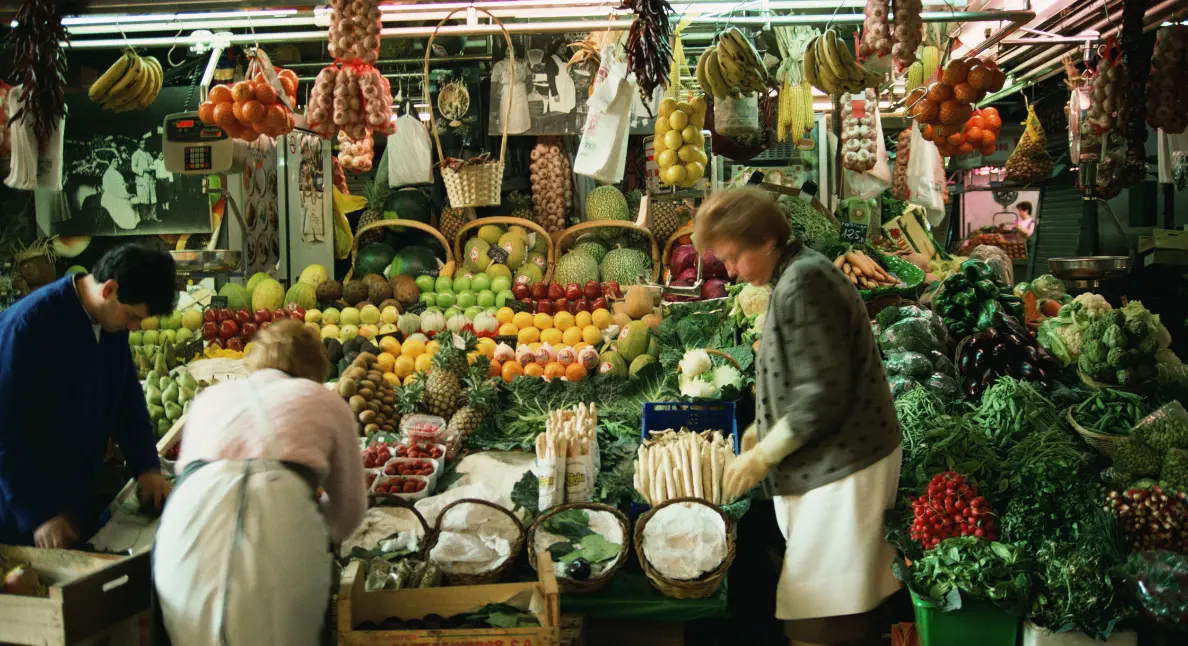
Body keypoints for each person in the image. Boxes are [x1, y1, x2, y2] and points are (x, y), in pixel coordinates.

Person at [695, 187, 902, 646]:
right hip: (833, 459)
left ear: (766, 240)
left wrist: (764, 454)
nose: (728, 271)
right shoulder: (794, 272)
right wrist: (760, 430)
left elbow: (823, 391)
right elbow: (804, 366)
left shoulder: (804, 283)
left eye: (733, 258)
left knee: (821, 610)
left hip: (845, 464)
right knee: (836, 601)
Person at [153, 319, 366, 646]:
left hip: (184, 534)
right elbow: (348, 510)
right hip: (278, 532)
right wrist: (307, 521)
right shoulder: (324, 399)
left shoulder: (211, 397)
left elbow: (185, 477)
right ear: (315, 368)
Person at [0, 243, 177, 547]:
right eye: (132, 316)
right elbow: (6, 431)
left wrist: (146, 466)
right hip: (22, 509)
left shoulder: (111, 325)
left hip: (76, 493)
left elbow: (127, 399)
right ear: (110, 289)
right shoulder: (30, 327)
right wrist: (38, 514)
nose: (133, 327)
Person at [490, 42, 531, 135]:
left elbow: (529, 76)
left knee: (520, 118)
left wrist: (524, 87)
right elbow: (493, 81)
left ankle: (522, 131)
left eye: (512, 50)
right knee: (508, 117)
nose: (510, 52)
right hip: (507, 92)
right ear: (504, 52)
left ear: (516, 51)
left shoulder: (522, 63)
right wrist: (494, 93)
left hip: (520, 92)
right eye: (508, 50)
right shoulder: (499, 65)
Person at [101, 152, 140, 231]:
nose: (117, 162)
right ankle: (128, 226)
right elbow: (112, 189)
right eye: (114, 161)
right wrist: (125, 195)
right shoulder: (107, 174)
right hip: (111, 196)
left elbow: (121, 186)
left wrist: (127, 192)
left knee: (133, 201)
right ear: (110, 162)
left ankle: (134, 224)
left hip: (120, 194)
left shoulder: (116, 172)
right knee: (125, 205)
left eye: (117, 160)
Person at [131, 139, 159, 223]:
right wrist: (143, 170)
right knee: (143, 199)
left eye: (144, 144)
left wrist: (152, 167)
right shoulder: (135, 155)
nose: (144, 145)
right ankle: (145, 218)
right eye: (142, 143)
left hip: (150, 178)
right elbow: (133, 168)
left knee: (153, 198)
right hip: (142, 179)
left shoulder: (148, 153)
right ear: (138, 145)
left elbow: (152, 163)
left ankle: (154, 216)